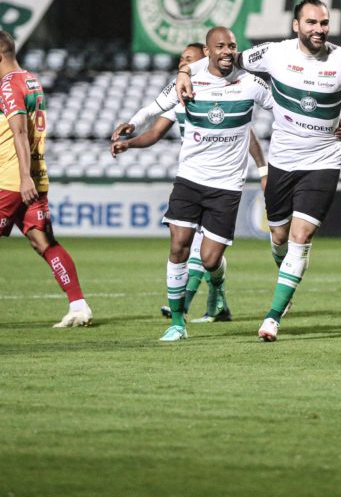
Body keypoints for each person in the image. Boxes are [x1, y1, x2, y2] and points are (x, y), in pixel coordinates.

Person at [176, 0, 341, 342]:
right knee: (279, 238)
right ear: (296, 25)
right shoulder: (273, 53)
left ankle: (272, 317)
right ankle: (284, 269)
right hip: (283, 160)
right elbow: (225, 61)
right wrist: (185, 70)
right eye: (312, 23)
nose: (319, 29)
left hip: (324, 159)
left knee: (300, 239)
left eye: (324, 23)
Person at [113, 27, 275, 342]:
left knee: (211, 258)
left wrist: (322, 128)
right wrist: (132, 127)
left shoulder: (250, 83)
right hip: (189, 179)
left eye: (232, 45)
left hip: (227, 185)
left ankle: (217, 294)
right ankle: (177, 321)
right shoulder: (186, 85)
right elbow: (153, 110)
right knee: (179, 246)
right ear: (208, 50)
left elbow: (280, 111)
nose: (228, 51)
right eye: (221, 46)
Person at [0, 31, 92, 327]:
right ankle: (79, 305)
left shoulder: (7, 86)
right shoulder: (30, 80)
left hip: (9, 179)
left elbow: (20, 133)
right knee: (43, 241)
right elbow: (22, 131)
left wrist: (21, 178)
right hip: (32, 175)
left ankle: (79, 305)